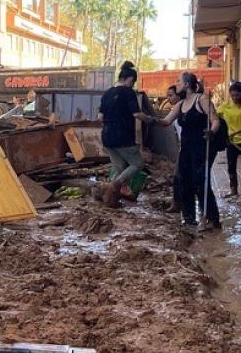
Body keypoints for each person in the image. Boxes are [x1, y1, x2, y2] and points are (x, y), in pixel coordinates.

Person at [159, 72, 222, 229]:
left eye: (178, 81)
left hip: (201, 147)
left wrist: (212, 132)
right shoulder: (180, 105)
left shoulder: (201, 99)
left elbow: (215, 120)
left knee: (200, 181)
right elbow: (166, 121)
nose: (177, 84)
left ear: (186, 85)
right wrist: (147, 118)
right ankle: (189, 219)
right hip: (185, 149)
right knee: (184, 182)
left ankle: (211, 219)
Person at [98, 62, 152, 189]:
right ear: (130, 79)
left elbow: (100, 117)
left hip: (107, 136)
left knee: (120, 167)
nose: (132, 85)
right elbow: (137, 114)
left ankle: (110, 195)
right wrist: (150, 119)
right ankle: (113, 187)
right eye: (132, 82)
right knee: (137, 164)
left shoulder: (107, 93)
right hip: (123, 136)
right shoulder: (128, 92)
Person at [216, 80, 241, 196]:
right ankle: (234, 190)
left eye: (237, 95)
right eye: (233, 95)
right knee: (231, 166)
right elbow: (215, 117)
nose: (235, 98)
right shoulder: (226, 106)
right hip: (231, 142)